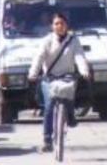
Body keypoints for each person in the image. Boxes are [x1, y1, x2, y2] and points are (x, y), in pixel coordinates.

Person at [28, 13, 91, 153]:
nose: (59, 26)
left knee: (69, 98)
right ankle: (47, 140)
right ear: (52, 26)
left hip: (67, 78)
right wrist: (33, 73)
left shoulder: (73, 40)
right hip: (49, 79)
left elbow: (79, 57)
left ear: (66, 25)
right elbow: (39, 58)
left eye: (62, 23)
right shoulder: (47, 41)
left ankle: (70, 116)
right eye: (56, 23)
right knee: (49, 106)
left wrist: (84, 71)